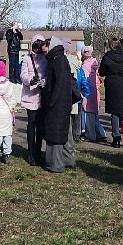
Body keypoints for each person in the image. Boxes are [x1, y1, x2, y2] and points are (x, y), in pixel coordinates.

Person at [41, 39, 77, 172]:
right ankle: (67, 159)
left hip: (57, 103)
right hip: (63, 102)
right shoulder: (60, 59)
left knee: (55, 133)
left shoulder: (57, 60)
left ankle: (55, 163)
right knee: (64, 131)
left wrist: (51, 101)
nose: (44, 52)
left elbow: (59, 83)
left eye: (45, 49)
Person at [99, 37, 123, 147]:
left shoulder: (107, 56)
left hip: (112, 84)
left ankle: (116, 138)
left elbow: (102, 71)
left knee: (115, 113)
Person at [18, 37, 48, 165]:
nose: (37, 50)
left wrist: (43, 81)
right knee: (31, 125)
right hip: (30, 96)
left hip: (41, 95)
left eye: (39, 47)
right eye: (35, 47)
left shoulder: (45, 59)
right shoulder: (26, 58)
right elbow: (23, 74)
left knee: (40, 126)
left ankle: (38, 151)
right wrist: (31, 80)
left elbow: (48, 73)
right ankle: (30, 153)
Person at [79, 46, 104, 142]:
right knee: (95, 115)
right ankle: (101, 133)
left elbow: (84, 80)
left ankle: (91, 135)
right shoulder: (95, 63)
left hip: (88, 92)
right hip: (95, 91)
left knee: (88, 115)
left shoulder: (85, 66)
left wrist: (83, 92)